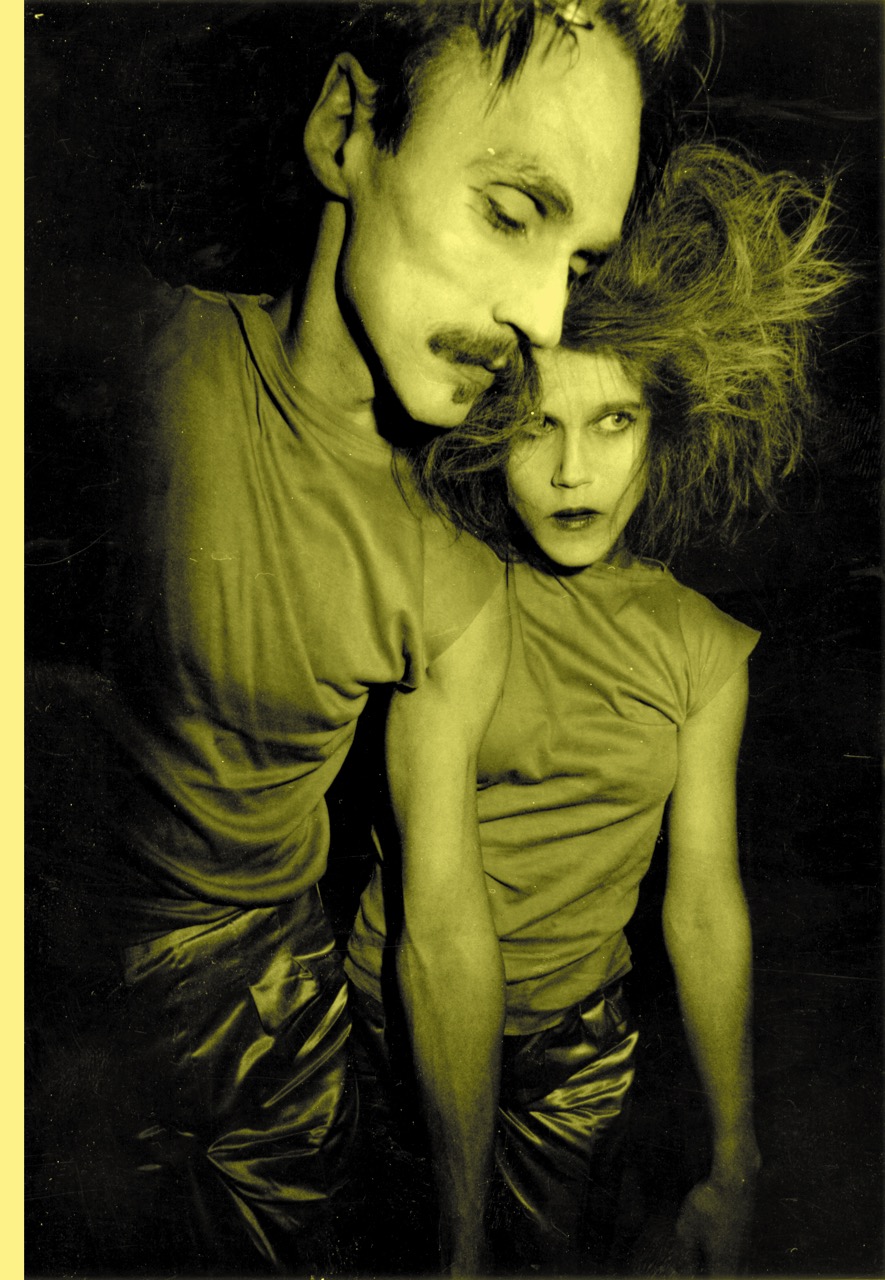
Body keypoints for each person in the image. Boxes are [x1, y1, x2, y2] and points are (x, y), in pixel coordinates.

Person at [26, 1, 690, 1275]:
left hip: (267, 1020)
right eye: (512, 212)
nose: (545, 318)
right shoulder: (122, 357)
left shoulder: (453, 570)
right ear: (346, 129)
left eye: (578, 264)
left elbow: (444, 918)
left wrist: (461, 1243)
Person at [345, 139, 849, 1275]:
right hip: (398, 1021)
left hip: (582, 1048)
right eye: (537, 426)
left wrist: (735, 1157)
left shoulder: (703, 648)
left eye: (613, 422)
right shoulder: (447, 591)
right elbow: (437, 917)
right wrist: (459, 1243)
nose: (574, 472)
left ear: (663, 431)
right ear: (489, 431)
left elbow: (703, 905)